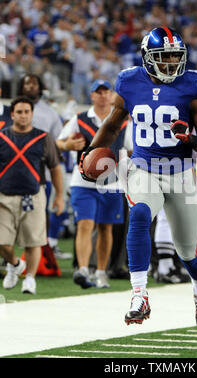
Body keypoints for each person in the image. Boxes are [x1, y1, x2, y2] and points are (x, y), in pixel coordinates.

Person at [80, 27, 197, 331]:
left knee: (187, 253)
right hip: (143, 167)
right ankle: (139, 294)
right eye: (164, 55)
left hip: (180, 173)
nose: (171, 61)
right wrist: (90, 150)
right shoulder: (129, 81)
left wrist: (191, 140)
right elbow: (113, 125)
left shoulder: (193, 85)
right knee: (140, 213)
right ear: (147, 58)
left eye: (175, 55)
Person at [57, 79, 127, 289]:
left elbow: (131, 149)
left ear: (112, 95)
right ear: (92, 96)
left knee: (106, 228)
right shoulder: (79, 119)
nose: (103, 95)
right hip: (83, 180)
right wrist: (68, 144)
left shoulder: (124, 121)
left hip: (112, 182)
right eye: (99, 92)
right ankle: (84, 269)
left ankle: (101, 271)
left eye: (107, 91)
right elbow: (60, 142)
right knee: (85, 224)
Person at [0, 96, 64, 294]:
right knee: (2, 241)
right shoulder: (1, 137)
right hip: (4, 195)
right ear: (12, 115)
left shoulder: (44, 138)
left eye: (27, 112)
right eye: (19, 112)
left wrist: (59, 195)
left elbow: (55, 168)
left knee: (34, 240)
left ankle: (30, 278)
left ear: (32, 114)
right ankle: (15, 264)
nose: (23, 115)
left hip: (34, 194)